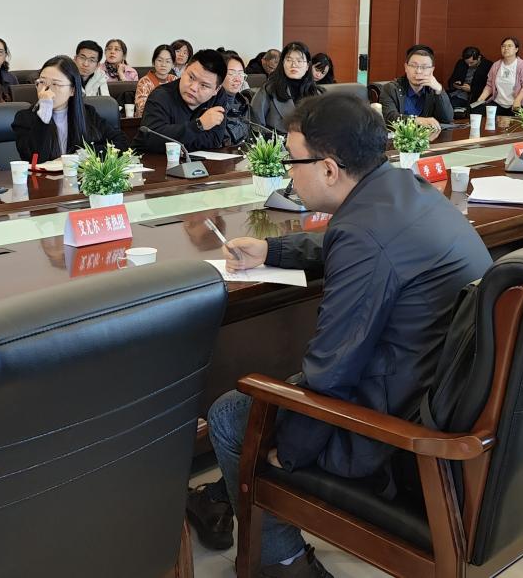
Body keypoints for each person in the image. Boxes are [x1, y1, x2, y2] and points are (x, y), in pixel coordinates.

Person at [190, 93, 491, 576]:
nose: (289, 175)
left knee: (230, 414)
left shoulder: (363, 235)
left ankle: (282, 562)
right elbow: (353, 242)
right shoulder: (403, 187)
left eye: (293, 162)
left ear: (329, 169)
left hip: (398, 433)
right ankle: (228, 499)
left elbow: (331, 373)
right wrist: (272, 250)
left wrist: (289, 453)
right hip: (437, 396)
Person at [12, 56, 128, 163]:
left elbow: (121, 142)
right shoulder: (24, 118)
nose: (46, 90)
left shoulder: (87, 114)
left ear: (72, 90)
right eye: (42, 82)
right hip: (43, 178)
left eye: (55, 84)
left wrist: (80, 156)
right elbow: (32, 158)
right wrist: (44, 115)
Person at [135, 49, 230, 152]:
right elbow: (151, 139)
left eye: (203, 85)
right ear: (185, 70)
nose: (193, 87)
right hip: (149, 159)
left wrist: (178, 140)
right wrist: (199, 125)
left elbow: (214, 140)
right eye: (191, 77)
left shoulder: (219, 96)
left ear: (216, 90)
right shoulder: (161, 96)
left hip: (194, 159)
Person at [251, 41, 324, 133]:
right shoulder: (268, 90)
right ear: (282, 63)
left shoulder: (317, 93)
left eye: (299, 61)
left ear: (307, 66)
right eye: (289, 60)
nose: (294, 65)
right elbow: (255, 126)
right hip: (275, 141)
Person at [379, 45, 453, 129]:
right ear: (406, 67)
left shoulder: (433, 90)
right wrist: (417, 121)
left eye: (424, 67)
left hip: (429, 137)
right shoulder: (391, 88)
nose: (418, 71)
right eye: (414, 66)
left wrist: (439, 90)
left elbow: (447, 119)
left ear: (432, 70)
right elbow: (389, 118)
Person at [472, 36, 523, 116]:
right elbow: (489, 85)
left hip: (515, 104)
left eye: (509, 46)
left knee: (517, 121)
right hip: (498, 103)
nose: (506, 48)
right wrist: (481, 99)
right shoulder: (496, 65)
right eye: (503, 46)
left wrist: (517, 100)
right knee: (476, 111)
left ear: (516, 49)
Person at [219, 50, 255, 146]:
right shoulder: (211, 104)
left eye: (241, 74)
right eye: (231, 73)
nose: (238, 79)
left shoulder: (244, 104)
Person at [134, 44, 176, 116]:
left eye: (168, 61)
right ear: (153, 62)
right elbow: (141, 108)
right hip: (151, 119)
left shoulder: (175, 80)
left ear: (172, 64)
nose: (163, 64)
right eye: (160, 60)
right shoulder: (144, 82)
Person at [447, 46, 492, 111]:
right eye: (467, 63)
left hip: (473, 96)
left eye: (472, 62)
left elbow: (488, 87)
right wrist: (454, 84)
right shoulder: (461, 63)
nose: (469, 65)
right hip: (456, 92)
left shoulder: (487, 66)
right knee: (441, 101)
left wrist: (471, 89)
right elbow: (452, 79)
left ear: (479, 57)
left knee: (450, 104)